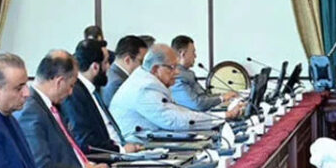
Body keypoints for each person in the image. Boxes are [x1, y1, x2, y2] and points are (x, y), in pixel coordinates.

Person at [110, 43, 240, 142]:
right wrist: (223, 116)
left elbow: (178, 112)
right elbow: (174, 120)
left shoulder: (147, 82)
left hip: (154, 141)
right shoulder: (144, 89)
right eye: (172, 67)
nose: (177, 72)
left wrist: (220, 116)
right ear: (155, 69)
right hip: (141, 150)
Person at [15, 50, 110, 168]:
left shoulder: (48, 106)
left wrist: (89, 167)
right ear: (59, 82)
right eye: (71, 86)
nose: (71, 92)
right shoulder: (31, 112)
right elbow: (42, 166)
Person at [60, 39, 141, 155]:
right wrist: (121, 150)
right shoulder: (75, 94)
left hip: (120, 151)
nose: (109, 67)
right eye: (106, 62)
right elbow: (85, 141)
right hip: (108, 157)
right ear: (95, 67)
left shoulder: (91, 90)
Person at [170, 35, 238, 111]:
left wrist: (224, 95)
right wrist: (222, 98)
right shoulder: (176, 77)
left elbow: (204, 96)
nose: (195, 56)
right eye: (193, 52)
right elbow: (197, 104)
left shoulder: (188, 73)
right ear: (182, 54)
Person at [101, 35, 147, 107]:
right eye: (142, 61)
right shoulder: (117, 83)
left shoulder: (113, 74)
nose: (145, 66)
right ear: (127, 60)